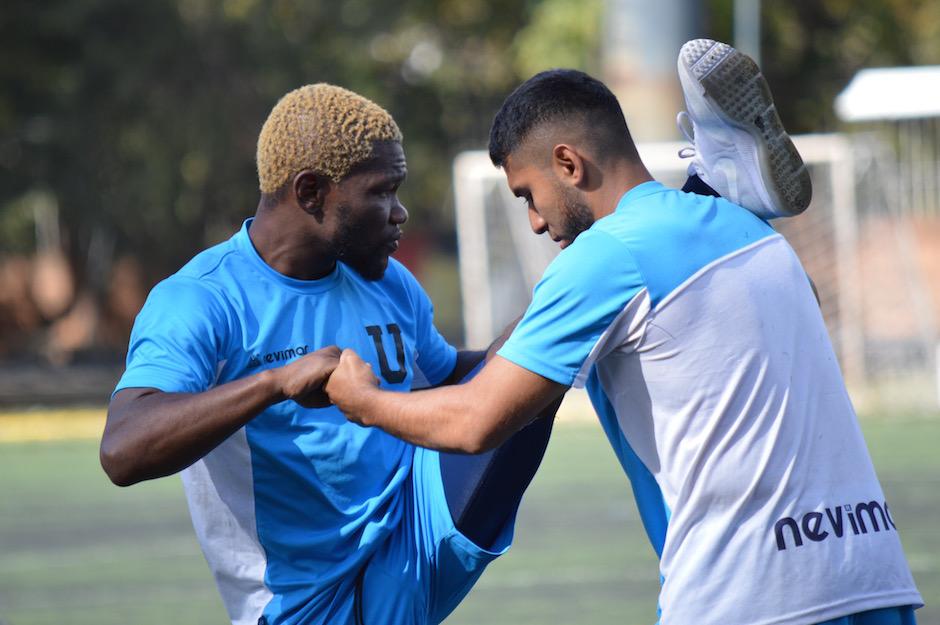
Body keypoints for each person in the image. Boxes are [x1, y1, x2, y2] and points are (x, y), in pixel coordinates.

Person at [324, 40, 923, 625]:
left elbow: (476, 422)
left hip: (751, 594)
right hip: (874, 574)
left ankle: (721, 167)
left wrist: (365, 401)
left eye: (529, 195)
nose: (534, 222)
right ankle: (720, 171)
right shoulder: (755, 236)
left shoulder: (605, 256)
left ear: (568, 163)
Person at [100, 84, 558, 625]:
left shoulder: (386, 281)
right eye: (383, 191)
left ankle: (612, 244)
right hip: (306, 604)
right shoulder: (201, 299)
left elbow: (458, 379)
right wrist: (273, 384)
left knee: (538, 373)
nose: (400, 212)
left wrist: (550, 320)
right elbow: (123, 451)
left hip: (414, 536)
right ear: (312, 192)